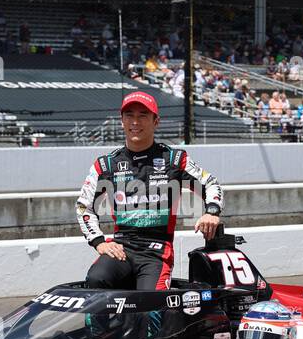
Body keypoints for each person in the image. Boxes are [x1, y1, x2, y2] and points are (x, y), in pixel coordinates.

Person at [77, 91, 223, 291]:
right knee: (96, 280)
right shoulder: (106, 165)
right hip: (120, 248)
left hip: (157, 251)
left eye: (143, 116)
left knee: (151, 301)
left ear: (156, 122)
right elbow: (84, 207)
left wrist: (211, 212)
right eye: (129, 115)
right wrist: (99, 242)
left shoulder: (174, 159)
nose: (135, 122)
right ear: (122, 121)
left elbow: (210, 183)